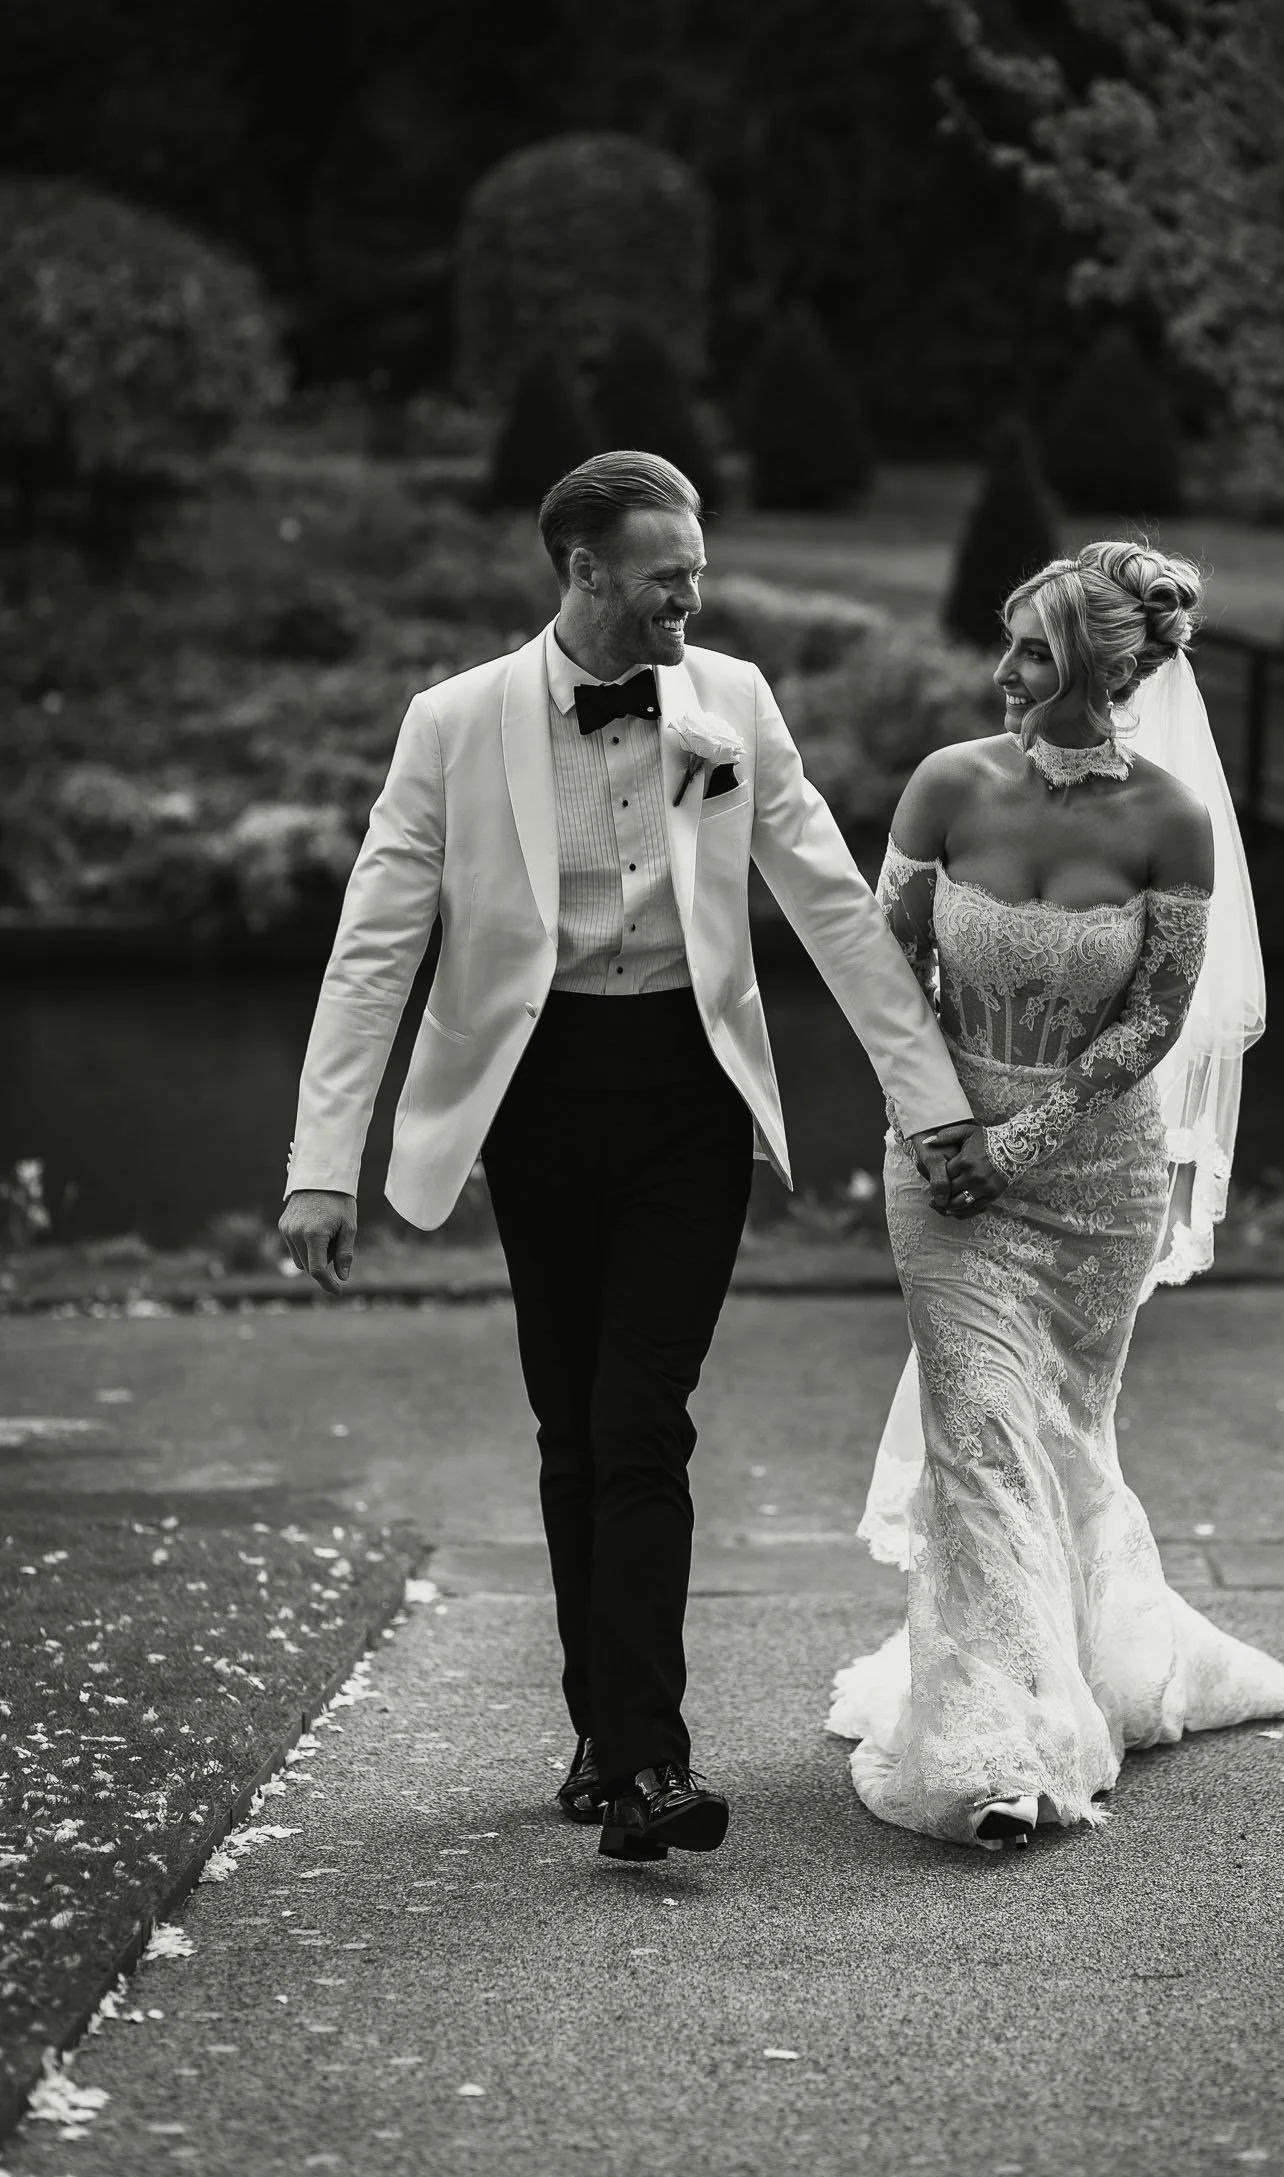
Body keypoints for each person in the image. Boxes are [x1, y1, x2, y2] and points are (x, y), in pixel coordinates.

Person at [279, 451, 978, 1863]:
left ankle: (649, 1763)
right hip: (532, 1103)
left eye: (697, 571)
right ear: (582, 571)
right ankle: (599, 1729)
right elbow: (373, 952)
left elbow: (833, 908)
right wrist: (320, 1163)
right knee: (572, 1424)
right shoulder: (455, 723)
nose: (690, 596)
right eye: (666, 574)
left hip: (686, 1094)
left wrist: (930, 1096)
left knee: (639, 1419)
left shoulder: (733, 703)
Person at [827, 542, 1284, 1850]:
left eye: (1030, 651)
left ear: (1105, 668)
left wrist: (1030, 1140)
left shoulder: (1169, 818)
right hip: (938, 1166)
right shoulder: (944, 788)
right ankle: (1001, 1748)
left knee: (1055, 1438)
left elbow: (1155, 1015)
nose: (999, 672)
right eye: (1007, 644)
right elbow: (887, 976)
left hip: (1092, 1176)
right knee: (977, 1438)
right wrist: (939, 1130)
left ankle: (1089, 1658)